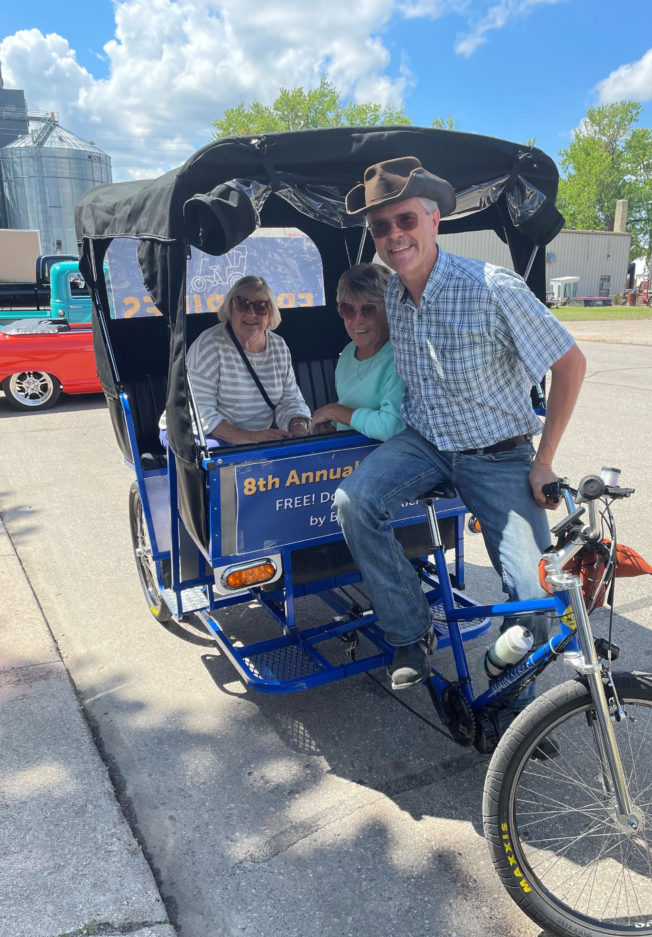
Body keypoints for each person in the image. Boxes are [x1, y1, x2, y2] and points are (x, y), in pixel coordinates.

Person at [333, 156, 586, 699]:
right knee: (354, 502)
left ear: (434, 221)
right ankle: (411, 631)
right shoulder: (393, 296)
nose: (394, 235)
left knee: (535, 597)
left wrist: (543, 462)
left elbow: (570, 365)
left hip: (498, 453)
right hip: (425, 442)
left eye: (406, 220)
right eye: (381, 227)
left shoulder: (492, 287)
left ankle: (510, 706)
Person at [185, 275, 311, 444]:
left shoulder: (278, 346)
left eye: (261, 306)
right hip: (205, 432)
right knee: (216, 452)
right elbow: (198, 413)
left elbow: (290, 400)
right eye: (243, 304)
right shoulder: (209, 345)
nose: (251, 313)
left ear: (270, 313)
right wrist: (251, 438)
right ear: (231, 308)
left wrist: (298, 425)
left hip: (260, 433)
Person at [310, 263, 405, 442]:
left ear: (389, 310)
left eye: (368, 310)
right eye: (348, 310)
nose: (357, 320)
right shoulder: (347, 354)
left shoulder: (401, 358)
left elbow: (391, 427)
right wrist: (333, 426)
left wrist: (335, 412)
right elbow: (351, 414)